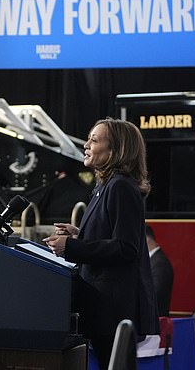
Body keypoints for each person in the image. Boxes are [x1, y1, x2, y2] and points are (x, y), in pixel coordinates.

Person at [43, 118, 159, 370]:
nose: (86, 145)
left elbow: (126, 249)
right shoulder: (104, 186)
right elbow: (109, 237)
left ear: (116, 150)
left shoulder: (120, 187)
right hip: (102, 307)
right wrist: (78, 235)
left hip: (113, 309)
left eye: (94, 140)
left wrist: (71, 247)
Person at [145, 225, 174, 317]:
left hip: (156, 321)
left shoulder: (159, 264)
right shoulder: (154, 261)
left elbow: (154, 294)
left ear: (146, 239)